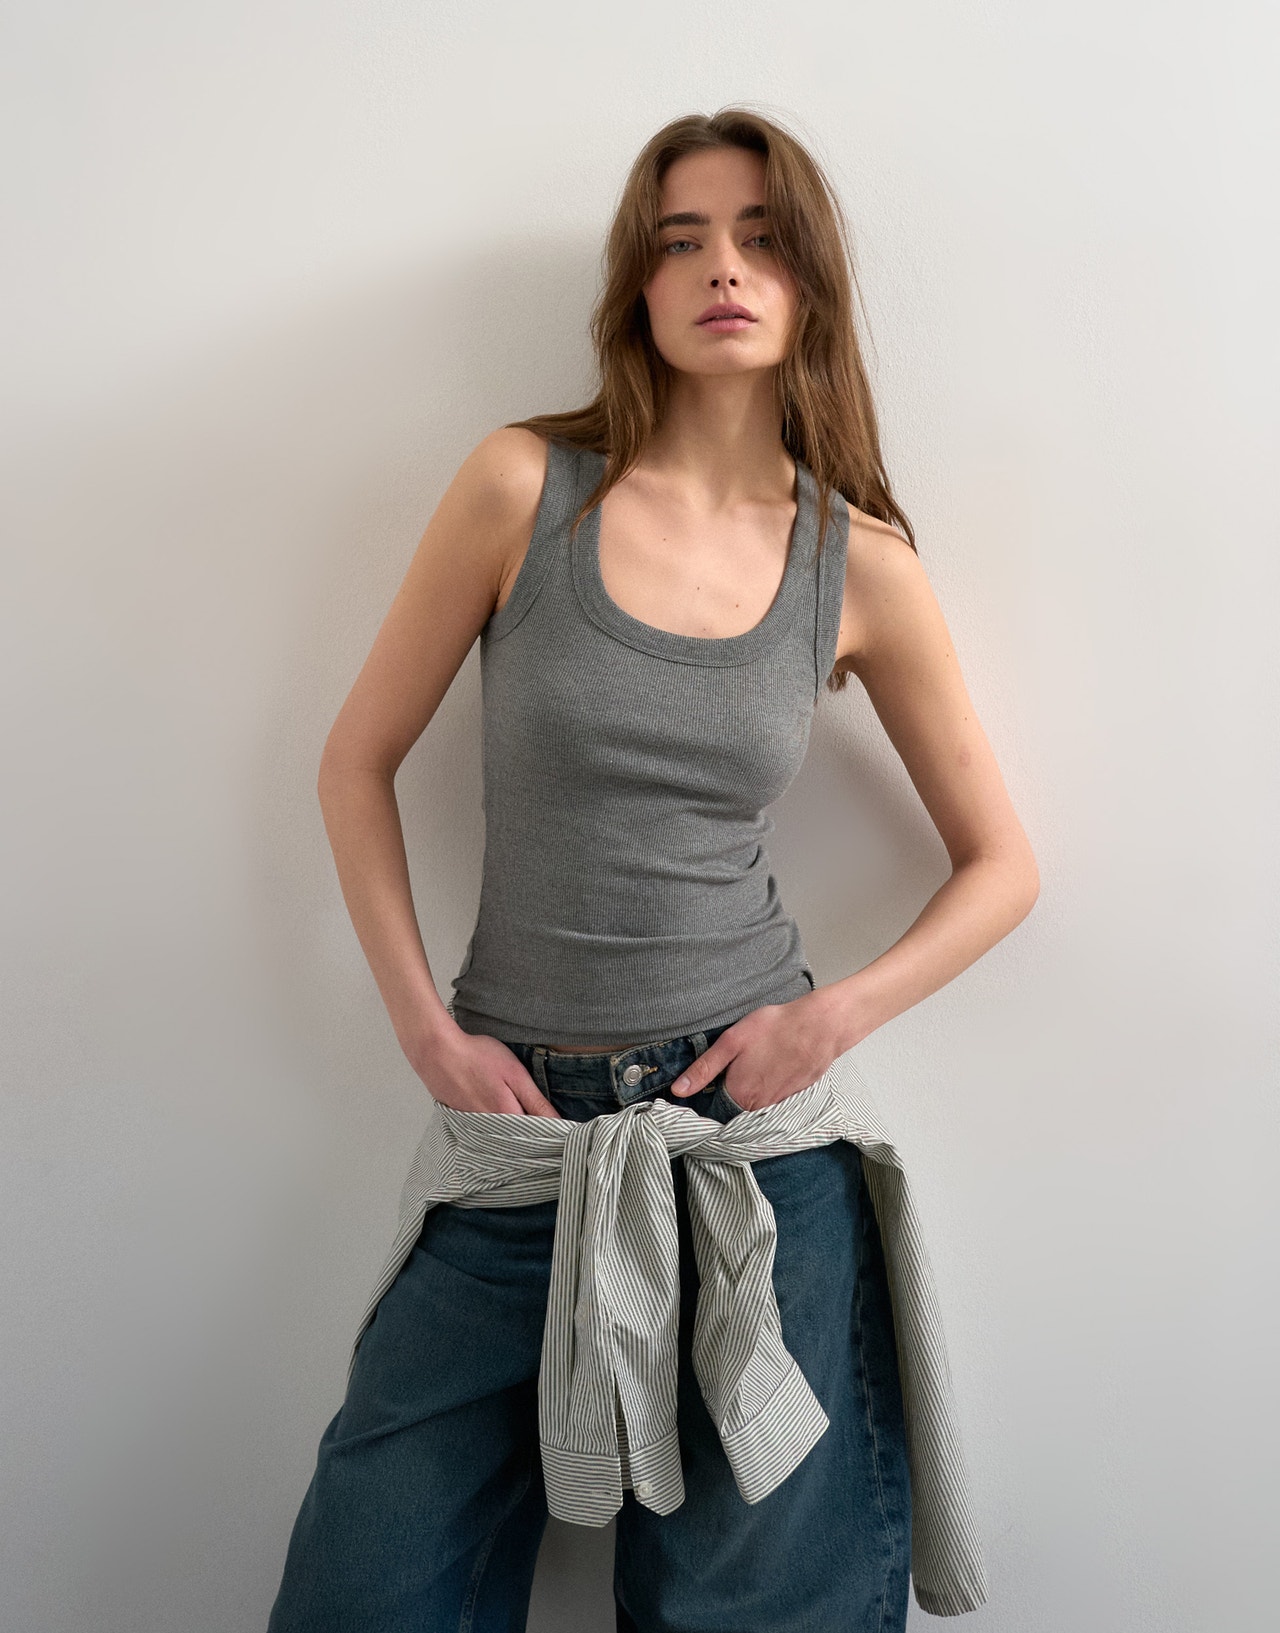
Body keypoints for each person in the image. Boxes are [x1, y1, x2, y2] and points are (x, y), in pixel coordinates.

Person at [266, 107, 1038, 1632]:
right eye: (682, 242)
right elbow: (354, 762)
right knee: (366, 1588)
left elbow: (1002, 863)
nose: (722, 268)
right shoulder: (522, 490)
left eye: (761, 238)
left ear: (810, 283)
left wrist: (831, 1018)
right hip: (520, 1145)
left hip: (751, 1157)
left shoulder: (859, 564)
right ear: (638, 287)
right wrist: (427, 1031)